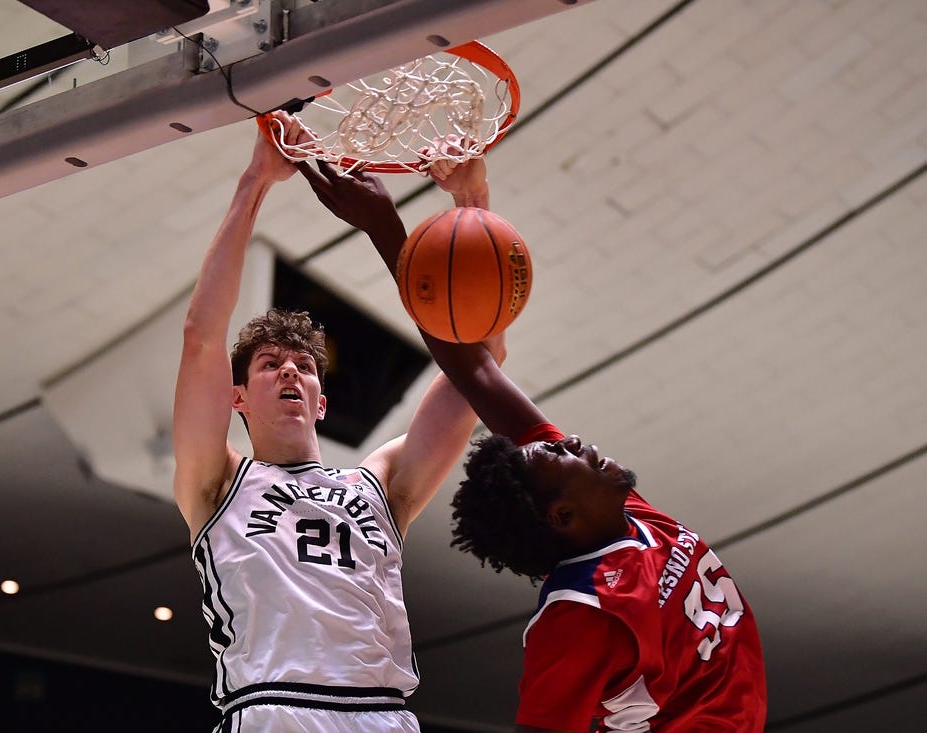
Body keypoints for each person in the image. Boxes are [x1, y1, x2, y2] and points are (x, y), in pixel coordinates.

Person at [301, 152, 768, 732]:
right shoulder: (577, 614)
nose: (570, 439)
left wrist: (398, 225)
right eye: (559, 455)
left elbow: (476, 373)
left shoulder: (624, 520)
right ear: (562, 514)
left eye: (558, 446)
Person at [171, 112, 501, 732]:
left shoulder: (379, 485)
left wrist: (471, 205)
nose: (291, 373)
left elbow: (481, 373)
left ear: (322, 401)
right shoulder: (216, 484)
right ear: (236, 398)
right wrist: (258, 181)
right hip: (272, 711)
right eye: (270, 365)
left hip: (382, 716)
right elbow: (200, 337)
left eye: (303, 367)